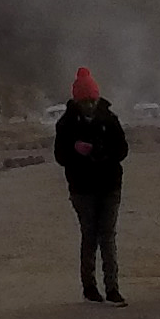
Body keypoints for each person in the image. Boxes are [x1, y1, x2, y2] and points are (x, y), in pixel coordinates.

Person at [52, 68, 128, 302]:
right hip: (82, 188)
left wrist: (100, 151)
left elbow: (122, 150)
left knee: (107, 236)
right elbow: (60, 156)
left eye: (92, 100)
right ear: (77, 99)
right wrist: (76, 152)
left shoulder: (110, 119)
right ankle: (89, 286)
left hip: (109, 185)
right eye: (85, 101)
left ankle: (112, 287)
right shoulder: (66, 123)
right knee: (90, 235)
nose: (89, 105)